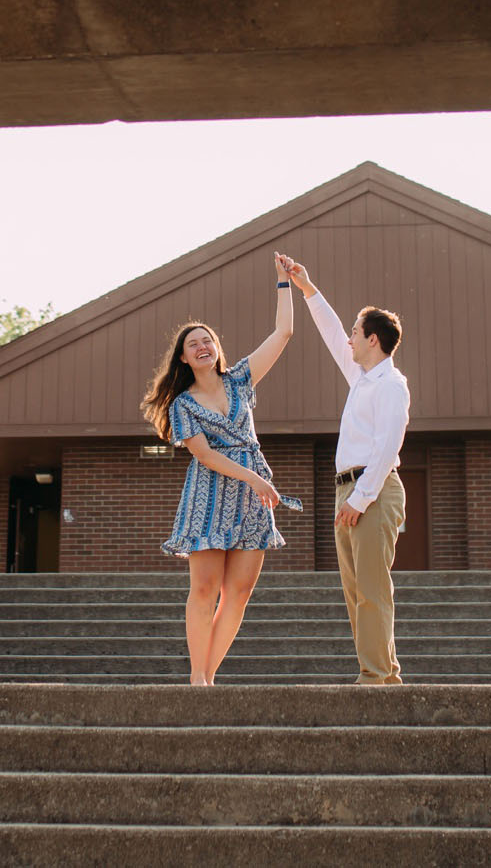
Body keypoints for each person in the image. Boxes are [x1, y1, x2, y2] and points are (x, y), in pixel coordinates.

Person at [142, 256, 297, 685]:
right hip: (209, 496)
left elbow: (283, 333)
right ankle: (196, 676)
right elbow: (206, 456)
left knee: (239, 593)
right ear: (184, 358)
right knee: (205, 590)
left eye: (206, 338)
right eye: (193, 343)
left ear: (216, 347)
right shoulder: (183, 404)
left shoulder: (240, 379)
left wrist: (284, 283)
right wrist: (255, 478)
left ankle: (209, 676)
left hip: (251, 499)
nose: (202, 344)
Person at [276, 253, 410, 684]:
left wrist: (359, 498)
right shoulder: (362, 378)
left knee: (372, 590)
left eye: (357, 333)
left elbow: (388, 447)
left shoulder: (391, 384)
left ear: (373, 339)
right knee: (356, 594)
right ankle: (383, 675)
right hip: (347, 492)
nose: (349, 339)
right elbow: (332, 332)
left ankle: (374, 678)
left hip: (372, 490)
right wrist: (307, 288)